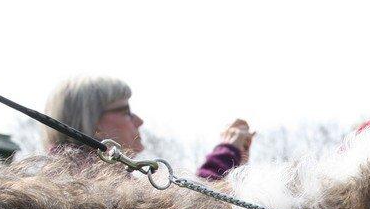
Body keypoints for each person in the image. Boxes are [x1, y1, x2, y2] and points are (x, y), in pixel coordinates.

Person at [43, 76, 253, 180]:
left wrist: (234, 162)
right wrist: (227, 153)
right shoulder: (85, 187)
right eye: (125, 111)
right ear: (91, 122)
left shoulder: (75, 179)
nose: (139, 121)